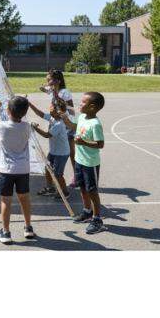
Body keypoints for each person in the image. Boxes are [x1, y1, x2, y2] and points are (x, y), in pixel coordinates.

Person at [0, 95, 37, 245]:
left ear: (8, 110)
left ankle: (5, 232)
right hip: (23, 169)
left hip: (7, 170)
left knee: (6, 200)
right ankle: (28, 228)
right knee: (24, 198)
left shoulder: (2, 126)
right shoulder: (27, 126)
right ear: (24, 113)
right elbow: (24, 121)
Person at [68, 91, 106, 234]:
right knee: (82, 188)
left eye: (83, 102)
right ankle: (87, 211)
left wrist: (84, 142)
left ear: (92, 107)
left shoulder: (95, 124)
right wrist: (64, 117)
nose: (80, 103)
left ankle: (97, 220)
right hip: (79, 160)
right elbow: (73, 127)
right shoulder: (82, 117)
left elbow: (100, 144)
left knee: (92, 191)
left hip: (90, 163)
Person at [30, 96, 72, 199]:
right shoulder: (53, 117)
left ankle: (65, 192)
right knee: (48, 169)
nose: (50, 107)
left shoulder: (59, 124)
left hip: (61, 153)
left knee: (58, 174)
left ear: (58, 111)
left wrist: (35, 128)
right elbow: (40, 114)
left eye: (52, 107)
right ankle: (50, 188)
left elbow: (46, 135)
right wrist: (29, 104)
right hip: (54, 151)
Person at [39, 68, 76, 171]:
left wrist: (69, 123)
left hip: (67, 125)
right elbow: (49, 91)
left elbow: (71, 109)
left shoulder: (64, 92)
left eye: (49, 80)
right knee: (61, 149)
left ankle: (77, 177)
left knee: (71, 153)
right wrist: (44, 89)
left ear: (57, 81)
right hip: (60, 123)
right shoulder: (54, 90)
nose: (47, 82)